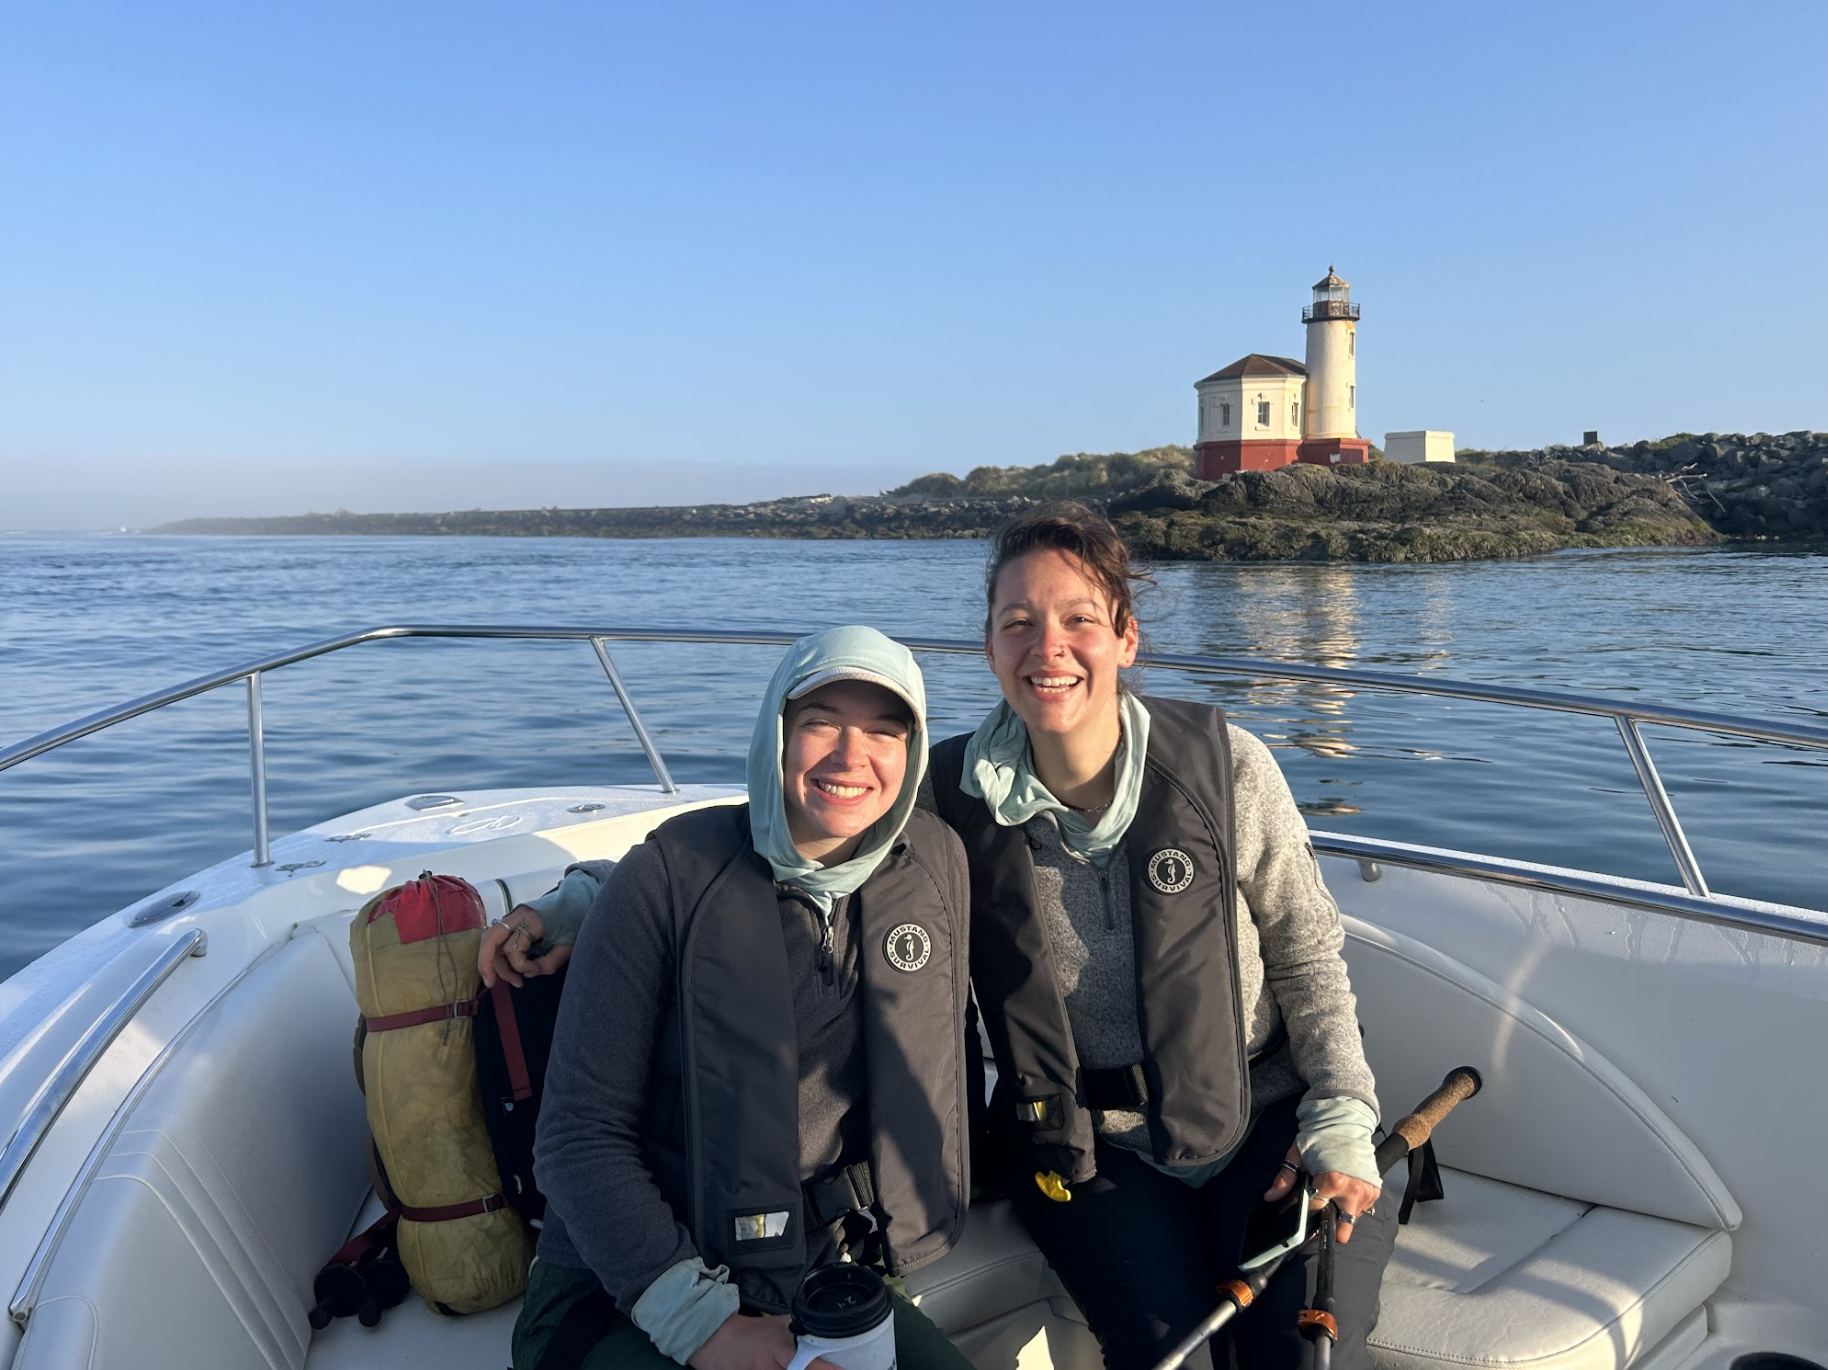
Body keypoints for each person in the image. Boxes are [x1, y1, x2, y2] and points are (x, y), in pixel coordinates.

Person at [923, 503, 1399, 1370]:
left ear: (1126, 639)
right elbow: (812, 847)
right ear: (988, 647)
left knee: (1295, 1358)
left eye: (1078, 620)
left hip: (1267, 1121)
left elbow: (1306, 952)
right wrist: (596, 902)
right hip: (1087, 1146)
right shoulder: (944, 802)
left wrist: (1340, 1112)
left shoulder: (1229, 769)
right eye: (1018, 623)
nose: (1048, 648)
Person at [505, 626, 977, 1370]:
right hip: (622, 1288)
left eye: (886, 731)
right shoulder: (664, 882)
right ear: (776, 733)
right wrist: (701, 1325)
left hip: (821, 1271)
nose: (853, 758)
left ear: (913, 755)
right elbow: (576, 1139)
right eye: (822, 722)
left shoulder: (934, 864)